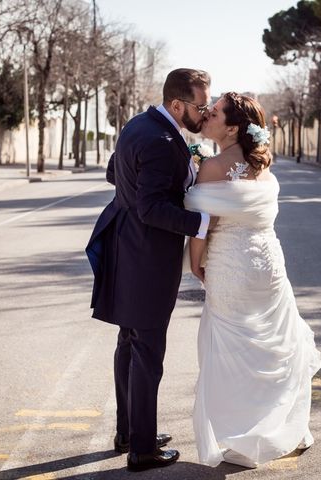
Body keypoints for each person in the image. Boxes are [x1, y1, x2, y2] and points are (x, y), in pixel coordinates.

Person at [184, 92, 321, 468]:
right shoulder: (263, 166)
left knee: (235, 353)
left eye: (214, 113)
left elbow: (202, 228)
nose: (206, 115)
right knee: (272, 346)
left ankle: (247, 437)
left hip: (231, 268)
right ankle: (282, 427)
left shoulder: (212, 167)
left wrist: (196, 265)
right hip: (269, 267)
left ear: (231, 127)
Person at [86, 68, 212, 472]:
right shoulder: (160, 140)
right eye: (199, 105)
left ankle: (130, 431)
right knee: (147, 350)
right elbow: (152, 208)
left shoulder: (139, 124)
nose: (204, 112)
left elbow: (114, 173)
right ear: (178, 105)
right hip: (145, 257)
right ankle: (142, 448)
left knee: (129, 341)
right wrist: (204, 223)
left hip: (127, 246)